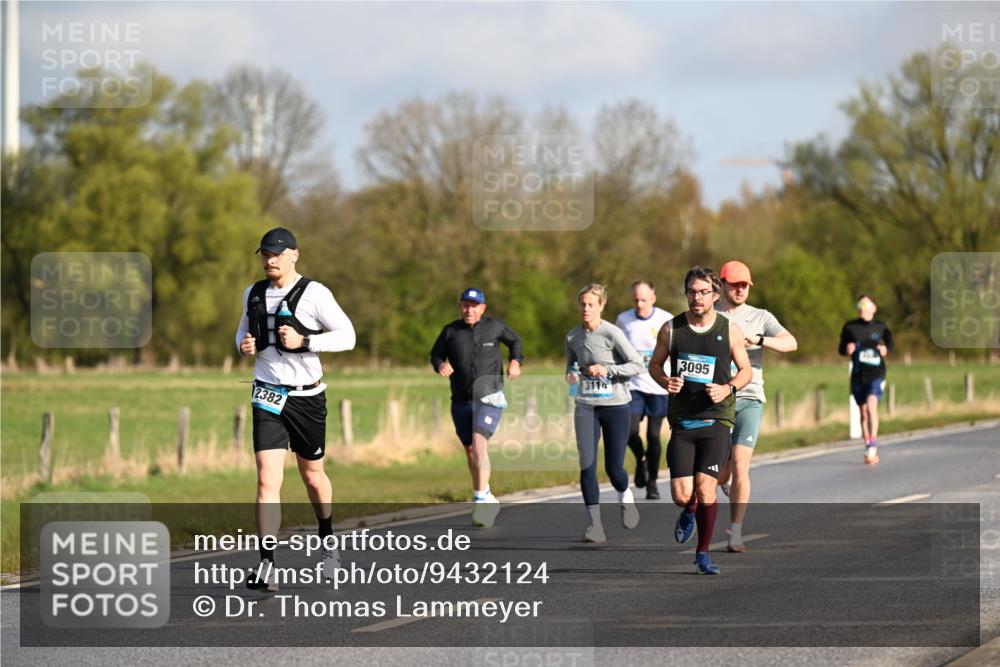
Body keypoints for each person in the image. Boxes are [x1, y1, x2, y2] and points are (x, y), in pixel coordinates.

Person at [236, 227, 357, 591]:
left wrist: (306, 340)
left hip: (307, 398)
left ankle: (327, 541)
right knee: (266, 479)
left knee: (312, 477)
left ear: (294, 255)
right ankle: (267, 565)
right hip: (267, 394)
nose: (269, 260)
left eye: (276, 253)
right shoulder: (253, 293)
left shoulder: (315, 293)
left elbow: (348, 336)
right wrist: (244, 345)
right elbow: (241, 334)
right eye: (264, 254)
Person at [648, 267, 751, 575]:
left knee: (706, 489)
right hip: (683, 421)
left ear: (715, 295)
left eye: (703, 292)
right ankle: (689, 510)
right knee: (682, 495)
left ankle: (703, 553)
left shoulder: (728, 328)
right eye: (692, 291)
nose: (697, 297)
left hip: (716, 419)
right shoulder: (672, 329)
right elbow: (654, 365)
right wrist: (666, 381)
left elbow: (745, 370)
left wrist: (728, 387)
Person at [715, 260, 798, 553]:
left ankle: (735, 531)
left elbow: (791, 343)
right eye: (734, 284)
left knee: (741, 465)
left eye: (744, 285)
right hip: (716, 400)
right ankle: (721, 481)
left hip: (750, 397)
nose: (739, 290)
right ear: (722, 285)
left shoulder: (761, 316)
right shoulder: (709, 315)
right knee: (719, 472)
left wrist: (761, 340)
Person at [430, 288, 524, 528]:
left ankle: (480, 501)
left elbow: (515, 341)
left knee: (479, 444)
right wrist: (440, 364)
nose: (468, 309)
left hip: (490, 397)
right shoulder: (451, 331)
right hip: (460, 400)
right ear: (460, 307)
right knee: (470, 452)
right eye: (465, 305)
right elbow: (435, 354)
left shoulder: (494, 327)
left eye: (474, 305)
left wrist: (515, 362)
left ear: (483, 308)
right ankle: (488, 495)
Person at [565, 284, 645, 543]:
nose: (586, 308)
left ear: (601, 306)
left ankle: (625, 496)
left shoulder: (612, 333)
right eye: (583, 304)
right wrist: (571, 375)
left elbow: (637, 365)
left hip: (616, 406)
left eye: (591, 304)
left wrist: (607, 370)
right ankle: (595, 526)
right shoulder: (572, 337)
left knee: (614, 469)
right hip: (586, 406)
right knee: (586, 464)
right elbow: (571, 366)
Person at [614, 280, 673, 500]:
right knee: (629, 432)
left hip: (658, 385)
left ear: (653, 298)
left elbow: (674, 349)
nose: (639, 304)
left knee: (654, 436)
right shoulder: (623, 320)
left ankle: (652, 483)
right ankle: (641, 461)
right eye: (636, 300)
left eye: (644, 300)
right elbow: (615, 348)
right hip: (633, 386)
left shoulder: (665, 319)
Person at [838, 294, 894, 465]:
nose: (862, 308)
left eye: (866, 305)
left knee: (871, 406)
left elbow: (890, 344)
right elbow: (841, 348)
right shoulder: (850, 327)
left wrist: (885, 349)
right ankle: (867, 443)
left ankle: (873, 446)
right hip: (857, 374)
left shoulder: (881, 326)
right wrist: (848, 349)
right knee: (862, 412)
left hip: (876, 373)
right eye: (860, 305)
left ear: (873, 308)